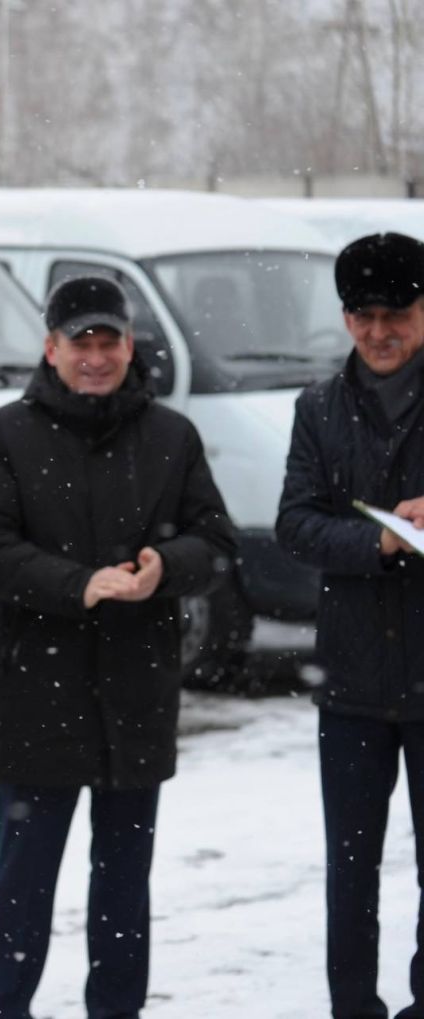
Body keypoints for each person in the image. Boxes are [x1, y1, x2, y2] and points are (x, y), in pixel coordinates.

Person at [0, 275, 236, 1019]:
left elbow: (216, 543)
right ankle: (7, 1008)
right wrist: (76, 584)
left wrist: (163, 570)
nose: (95, 355)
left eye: (108, 339)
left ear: (128, 344)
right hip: (35, 697)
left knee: (122, 882)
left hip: (136, 695)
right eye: (79, 340)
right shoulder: (5, 435)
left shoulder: (171, 436)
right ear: (50, 348)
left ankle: (117, 1010)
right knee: (25, 877)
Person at [277, 231, 424, 1019]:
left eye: (396, 312)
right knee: (351, 865)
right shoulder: (319, 407)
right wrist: (375, 538)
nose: (379, 331)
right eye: (363, 315)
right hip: (353, 678)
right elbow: (295, 523)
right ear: (344, 318)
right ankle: (352, 1006)